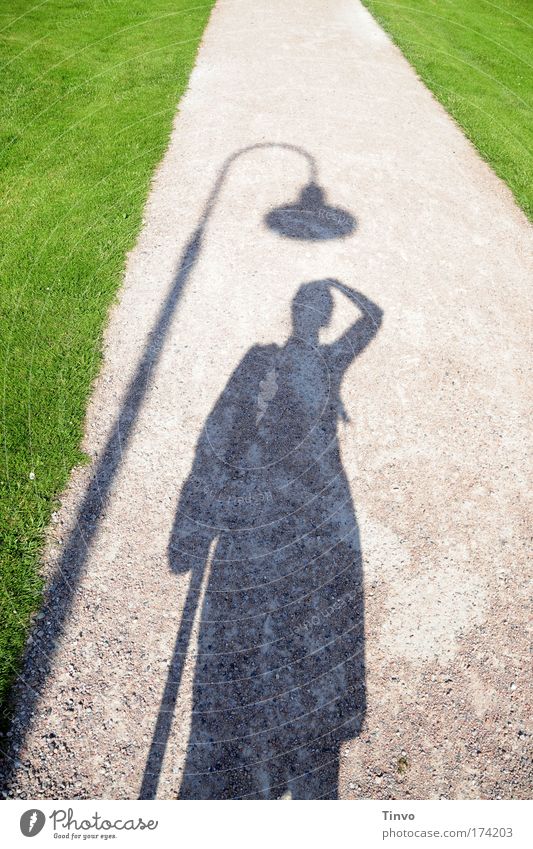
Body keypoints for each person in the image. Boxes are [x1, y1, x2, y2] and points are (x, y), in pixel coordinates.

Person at [159, 280, 382, 799]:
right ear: (301, 314)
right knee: (275, 603)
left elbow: (374, 318)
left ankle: (281, 714)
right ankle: (268, 717)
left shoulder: (324, 361)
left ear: (314, 318)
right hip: (287, 496)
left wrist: (337, 285)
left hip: (303, 497)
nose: (310, 315)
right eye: (309, 306)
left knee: (297, 605)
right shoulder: (281, 361)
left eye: (315, 308)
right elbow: (224, 421)